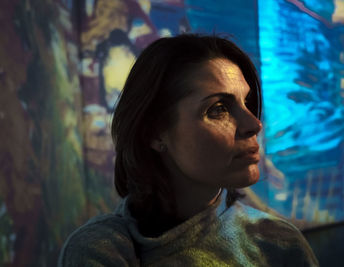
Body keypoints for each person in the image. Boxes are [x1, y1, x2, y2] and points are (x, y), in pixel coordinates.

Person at [58, 34, 319, 266]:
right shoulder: (101, 251)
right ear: (154, 132)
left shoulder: (279, 245)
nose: (254, 124)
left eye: (247, 102)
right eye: (218, 109)